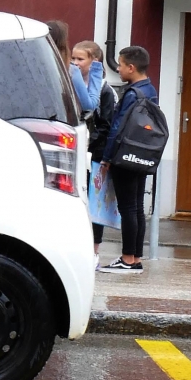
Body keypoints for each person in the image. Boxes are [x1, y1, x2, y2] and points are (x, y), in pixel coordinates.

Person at [101, 45, 159, 273]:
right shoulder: (150, 89)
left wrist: (107, 157)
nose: (119, 69)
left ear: (131, 67)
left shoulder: (132, 93)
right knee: (136, 207)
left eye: (121, 65)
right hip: (141, 153)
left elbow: (118, 126)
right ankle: (135, 258)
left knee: (127, 208)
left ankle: (126, 258)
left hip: (124, 154)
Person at [71, 40, 119, 246]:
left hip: (95, 154)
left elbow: (106, 125)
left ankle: (95, 249)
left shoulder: (104, 90)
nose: (75, 63)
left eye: (80, 59)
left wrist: (88, 145)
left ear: (94, 61)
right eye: (73, 58)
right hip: (76, 150)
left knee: (94, 203)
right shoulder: (71, 81)